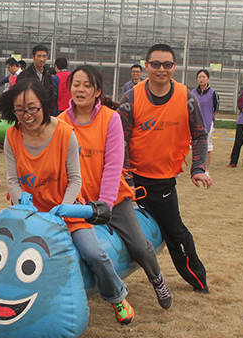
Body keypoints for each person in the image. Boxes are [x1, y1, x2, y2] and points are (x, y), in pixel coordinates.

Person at [0, 78, 135, 324]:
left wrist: (64, 209)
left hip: (66, 210)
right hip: (29, 213)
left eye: (32, 109)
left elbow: (75, 179)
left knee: (94, 253)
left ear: (43, 105)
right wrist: (23, 205)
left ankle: (117, 296)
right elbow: (13, 180)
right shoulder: (11, 136)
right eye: (20, 110)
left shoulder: (64, 133)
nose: (27, 116)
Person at [58, 65, 172, 309]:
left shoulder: (111, 118)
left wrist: (105, 205)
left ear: (97, 90)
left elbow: (113, 165)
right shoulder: (59, 122)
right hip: (76, 202)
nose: (81, 90)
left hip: (113, 200)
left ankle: (157, 278)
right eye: (76, 84)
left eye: (87, 85)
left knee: (139, 246)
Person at [118, 43, 212, 294]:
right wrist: (126, 179)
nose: (162, 69)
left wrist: (198, 168)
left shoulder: (186, 97)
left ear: (174, 67)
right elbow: (118, 141)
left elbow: (200, 135)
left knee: (176, 234)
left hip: (163, 182)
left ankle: (198, 281)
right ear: (146, 66)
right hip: (130, 181)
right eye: (156, 64)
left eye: (167, 64)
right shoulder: (131, 98)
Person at [192, 69, 219, 171]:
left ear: (208, 79)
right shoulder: (192, 93)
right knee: (192, 146)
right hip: (194, 122)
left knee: (207, 147)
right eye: (199, 77)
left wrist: (209, 117)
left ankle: (206, 169)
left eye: (203, 77)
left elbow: (215, 109)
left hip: (207, 123)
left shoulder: (213, 93)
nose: (201, 79)